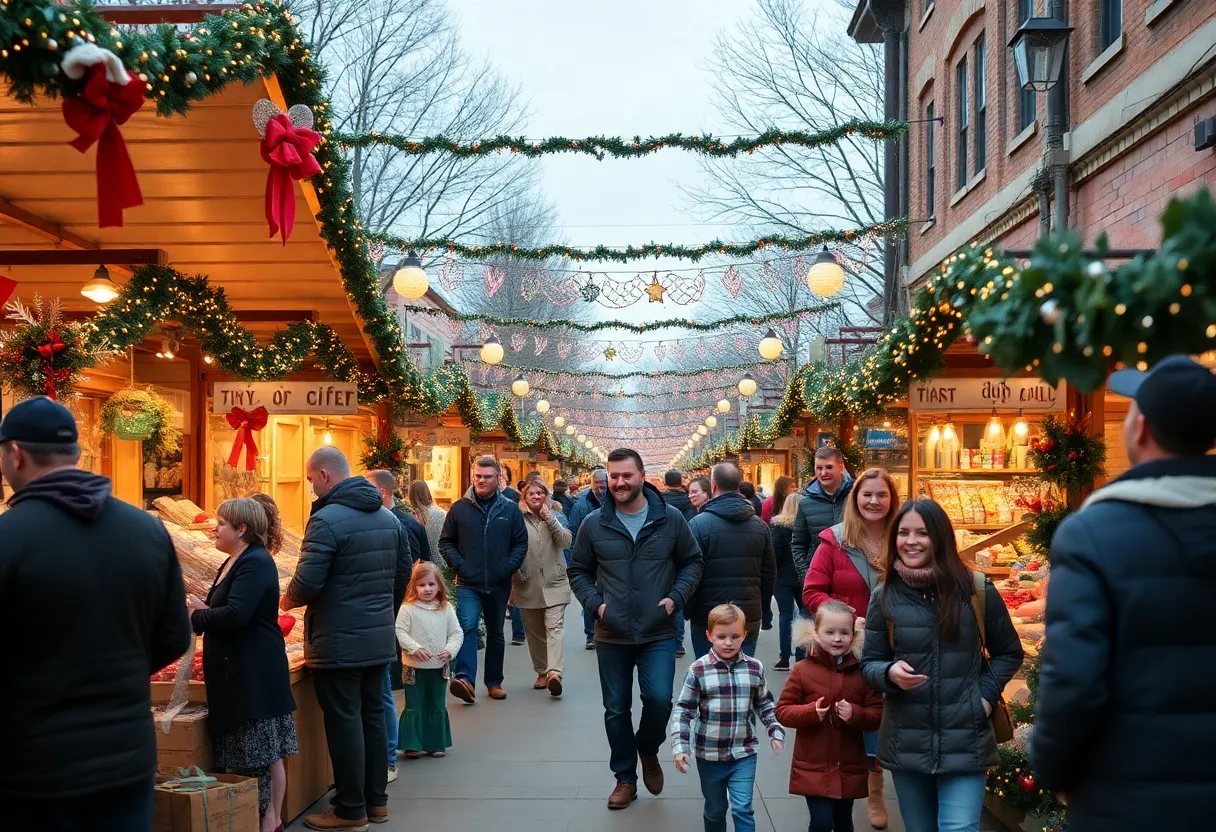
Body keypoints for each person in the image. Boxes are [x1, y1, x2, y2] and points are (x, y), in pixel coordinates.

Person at [1031, 356, 1216, 831]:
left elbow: (1073, 680)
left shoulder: (1093, 533)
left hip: (1125, 796)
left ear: (1141, 429)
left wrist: (1057, 770)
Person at [0, 397, 191, 832]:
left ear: (15, 453)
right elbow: (173, 636)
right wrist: (118, 671)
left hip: (31, 769)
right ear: (75, 453)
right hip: (126, 758)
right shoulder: (146, 530)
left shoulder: (8, 538)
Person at [861, 499, 1023, 832]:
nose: (911, 541)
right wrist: (888, 673)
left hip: (966, 736)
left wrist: (984, 697)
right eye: (903, 533)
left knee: (959, 827)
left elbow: (1008, 652)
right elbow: (870, 664)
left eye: (922, 533)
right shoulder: (884, 596)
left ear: (940, 538)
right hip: (907, 739)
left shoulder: (976, 589)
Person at [568, 447, 704, 810]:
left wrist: (675, 598)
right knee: (615, 709)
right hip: (611, 632)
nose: (619, 482)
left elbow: (692, 562)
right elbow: (577, 570)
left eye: (627, 475)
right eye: (614, 476)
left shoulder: (670, 518)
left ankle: (647, 746)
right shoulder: (594, 523)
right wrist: (596, 604)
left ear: (642, 476)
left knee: (659, 699)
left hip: (657, 629)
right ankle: (625, 778)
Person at [281, 447, 402, 831]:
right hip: (377, 635)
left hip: (337, 639)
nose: (310, 486)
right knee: (372, 716)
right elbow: (402, 576)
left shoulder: (326, 520)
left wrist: (284, 599)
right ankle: (376, 802)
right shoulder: (388, 517)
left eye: (311, 479)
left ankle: (350, 809)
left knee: (345, 721)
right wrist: (383, 613)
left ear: (325, 476)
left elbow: (308, 582)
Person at [191, 497, 298, 832]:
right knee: (259, 754)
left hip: (252, 674)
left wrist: (199, 615)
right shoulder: (235, 560)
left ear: (242, 529)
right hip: (239, 672)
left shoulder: (255, 562)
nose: (215, 528)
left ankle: (268, 819)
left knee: (261, 756)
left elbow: (237, 614)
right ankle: (265, 818)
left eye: (222, 523)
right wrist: (203, 607)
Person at [804, 467, 900, 828]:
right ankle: (868, 791)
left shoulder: (905, 537)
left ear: (892, 500)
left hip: (899, 643)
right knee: (859, 716)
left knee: (892, 715)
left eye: (881, 494)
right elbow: (813, 590)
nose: (874, 501)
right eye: (867, 494)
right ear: (855, 499)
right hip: (850, 646)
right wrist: (843, 620)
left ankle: (885, 784)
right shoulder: (836, 540)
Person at [670, 603, 785, 832]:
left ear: (744, 634)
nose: (728, 642)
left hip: (744, 753)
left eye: (735, 636)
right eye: (721, 636)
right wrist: (680, 746)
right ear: (709, 636)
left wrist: (775, 730)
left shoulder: (754, 668)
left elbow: (765, 703)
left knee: (742, 808)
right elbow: (684, 711)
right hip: (709, 755)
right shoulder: (698, 670)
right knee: (715, 810)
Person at [776, 600, 883, 832]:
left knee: (844, 821)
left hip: (849, 764)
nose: (837, 638)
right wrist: (810, 711)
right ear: (816, 633)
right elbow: (783, 711)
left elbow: (877, 714)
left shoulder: (863, 673)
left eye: (844, 632)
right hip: (812, 765)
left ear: (854, 635)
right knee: (822, 821)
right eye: (830, 632)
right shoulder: (802, 670)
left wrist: (855, 714)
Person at [439, 455, 529, 704]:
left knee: (496, 632)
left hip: (499, 582)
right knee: (467, 626)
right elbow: (446, 542)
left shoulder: (509, 508)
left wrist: (508, 567)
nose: (481, 480)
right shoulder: (459, 508)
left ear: (498, 479)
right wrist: (460, 565)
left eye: (487, 477)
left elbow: (521, 542)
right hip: (468, 581)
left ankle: (494, 682)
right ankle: (465, 678)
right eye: (477, 476)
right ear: (472, 476)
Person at [364, 469, 423, 783]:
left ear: (384, 492)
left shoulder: (400, 523)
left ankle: (390, 754)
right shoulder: (396, 523)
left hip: (385, 618)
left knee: (387, 687)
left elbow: (410, 570)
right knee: (387, 687)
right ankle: (392, 751)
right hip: (386, 616)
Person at [686, 462, 776, 659]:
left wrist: (689, 609)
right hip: (747, 616)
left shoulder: (698, 525)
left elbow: (691, 571)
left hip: (708, 616)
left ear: (713, 485)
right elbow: (768, 573)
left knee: (708, 677)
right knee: (743, 675)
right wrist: (764, 608)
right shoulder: (759, 526)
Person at [395, 561, 462, 759]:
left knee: (436, 703)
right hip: (413, 667)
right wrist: (414, 648)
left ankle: (435, 742)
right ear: (414, 586)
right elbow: (400, 631)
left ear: (439, 585)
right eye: (422, 585)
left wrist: (450, 650)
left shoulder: (446, 608)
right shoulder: (408, 608)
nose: (427, 589)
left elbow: (456, 633)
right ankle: (412, 744)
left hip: (439, 666)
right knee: (414, 703)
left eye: (431, 584)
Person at [513, 476, 574, 696]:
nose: (536, 497)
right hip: (527, 582)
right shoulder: (517, 519)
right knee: (534, 631)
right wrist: (516, 573)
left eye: (540, 493)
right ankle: (541, 671)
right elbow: (510, 547)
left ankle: (554, 672)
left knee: (554, 627)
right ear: (525, 497)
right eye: (532, 494)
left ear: (546, 496)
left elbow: (567, 541)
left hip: (555, 581)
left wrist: (551, 519)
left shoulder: (557, 515)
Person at [792, 447, 855, 586]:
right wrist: (806, 577)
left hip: (853, 577)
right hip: (818, 578)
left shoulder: (856, 497)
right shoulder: (806, 503)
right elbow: (798, 544)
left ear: (841, 467)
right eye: (819, 468)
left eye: (829, 467)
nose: (823, 472)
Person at [567, 467, 608, 650]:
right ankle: (591, 634)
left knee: (607, 594)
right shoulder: (581, 504)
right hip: (588, 557)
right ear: (592, 484)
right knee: (590, 594)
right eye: (598, 484)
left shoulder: (613, 500)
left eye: (604, 484)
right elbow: (573, 532)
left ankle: (605, 629)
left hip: (608, 556)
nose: (602, 488)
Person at [769, 492, 802, 670]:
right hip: (803, 576)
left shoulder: (777, 525)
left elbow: (775, 552)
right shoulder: (807, 525)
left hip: (782, 577)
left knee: (785, 615)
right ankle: (802, 654)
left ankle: (784, 657)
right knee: (804, 615)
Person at [408, 480, 447, 567]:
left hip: (420, 565)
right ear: (427, 493)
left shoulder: (410, 518)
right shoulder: (441, 514)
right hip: (442, 562)